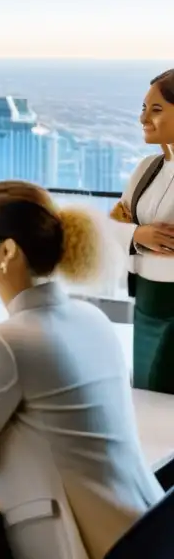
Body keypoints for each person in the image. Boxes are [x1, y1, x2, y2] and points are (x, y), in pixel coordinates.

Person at [0, 181, 161, 559]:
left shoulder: (3, 343)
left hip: (81, 547)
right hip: (145, 531)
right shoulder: (92, 318)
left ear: (7, 250)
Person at [110, 68, 174, 394]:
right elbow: (114, 224)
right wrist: (139, 236)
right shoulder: (146, 168)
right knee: (146, 396)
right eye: (144, 108)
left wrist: (133, 231)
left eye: (157, 109)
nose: (143, 118)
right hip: (146, 301)